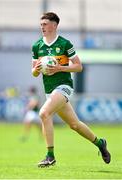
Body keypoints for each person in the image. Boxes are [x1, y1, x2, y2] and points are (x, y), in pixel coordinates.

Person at [31, 12, 111, 167]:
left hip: (64, 87)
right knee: (74, 125)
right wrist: (38, 69)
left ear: (54, 25)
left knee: (44, 113)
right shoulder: (37, 46)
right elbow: (33, 72)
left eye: (45, 24)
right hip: (50, 91)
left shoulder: (65, 44)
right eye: (41, 24)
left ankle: (50, 156)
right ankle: (100, 143)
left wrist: (59, 67)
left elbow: (79, 66)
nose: (42, 27)